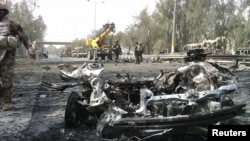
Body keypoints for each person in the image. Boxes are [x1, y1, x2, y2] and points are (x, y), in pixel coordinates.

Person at [0, 2, 36, 111]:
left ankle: (7, 102)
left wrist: (30, 49)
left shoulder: (12, 24)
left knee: (7, 80)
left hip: (7, 57)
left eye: (1, 11)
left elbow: (24, 37)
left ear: (5, 12)